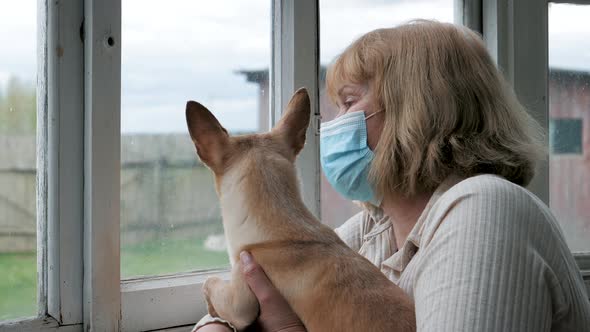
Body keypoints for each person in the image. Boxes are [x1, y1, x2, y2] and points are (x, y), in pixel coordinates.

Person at [194, 20, 590, 332]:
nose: (331, 126)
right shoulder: (375, 231)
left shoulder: (486, 210)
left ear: (419, 113)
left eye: (349, 102)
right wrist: (217, 322)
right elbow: (249, 289)